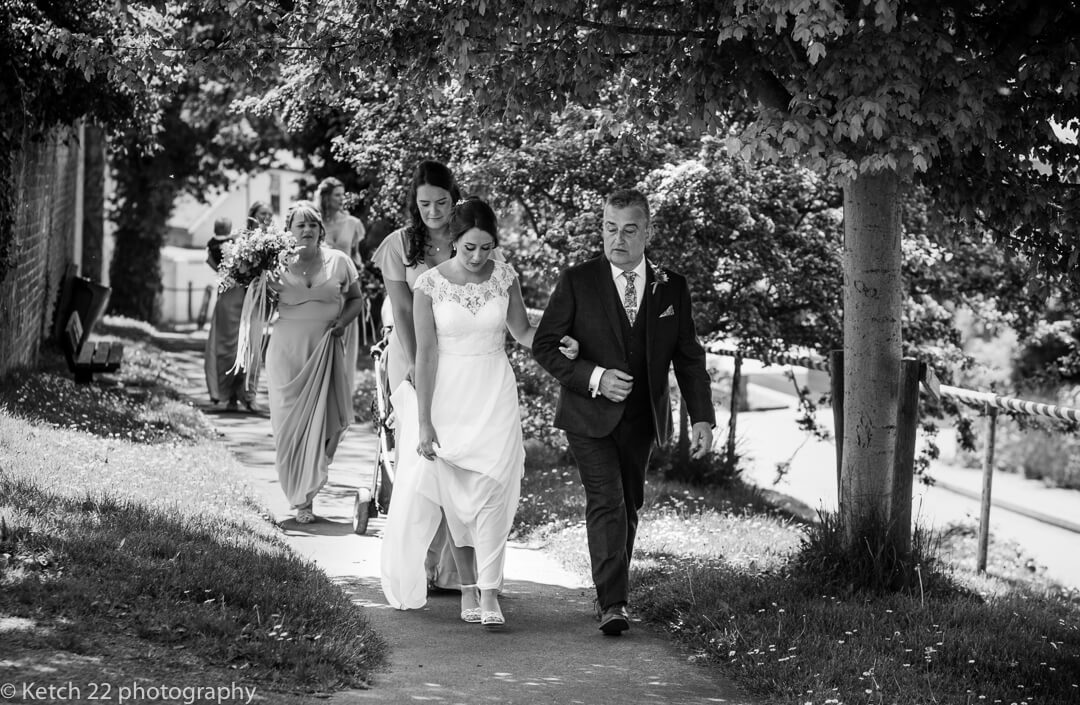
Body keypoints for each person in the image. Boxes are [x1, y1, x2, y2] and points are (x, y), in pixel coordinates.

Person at [532, 188, 716, 636]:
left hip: (642, 418)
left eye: (629, 230)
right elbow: (543, 347)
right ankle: (613, 602)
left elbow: (688, 357)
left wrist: (702, 417)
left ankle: (610, 592)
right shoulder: (578, 280)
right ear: (602, 228)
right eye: (610, 229)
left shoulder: (672, 286)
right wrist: (594, 377)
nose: (618, 239)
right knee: (607, 500)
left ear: (647, 232)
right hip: (587, 415)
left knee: (629, 505)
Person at [387, 197, 576, 628]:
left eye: (487, 247)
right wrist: (424, 420)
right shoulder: (429, 286)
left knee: (494, 490)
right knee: (456, 499)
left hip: (495, 391)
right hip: (449, 397)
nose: (478, 257)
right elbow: (426, 355)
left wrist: (559, 341)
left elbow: (523, 331)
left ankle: (490, 591)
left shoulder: (504, 276)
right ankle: (468, 588)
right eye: (470, 247)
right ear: (454, 241)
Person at [373, 160, 467, 595]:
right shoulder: (398, 245)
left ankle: (452, 569)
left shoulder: (469, 241)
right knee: (422, 458)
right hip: (410, 356)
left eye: (442, 202)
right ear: (415, 202)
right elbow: (403, 310)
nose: (433, 211)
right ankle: (419, 562)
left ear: (455, 198)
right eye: (424, 203)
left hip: (460, 358)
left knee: (458, 457)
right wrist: (413, 363)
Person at [266, 201, 366, 524]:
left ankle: (306, 497)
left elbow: (355, 300)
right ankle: (298, 494)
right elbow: (260, 304)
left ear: (321, 230)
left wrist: (343, 323)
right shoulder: (274, 266)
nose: (307, 230)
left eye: (313, 224)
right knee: (288, 427)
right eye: (300, 225)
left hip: (325, 350)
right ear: (288, 232)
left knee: (324, 425)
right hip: (286, 354)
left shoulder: (340, 262)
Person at [205, 216, 257, 412]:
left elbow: (213, 265)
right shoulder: (233, 246)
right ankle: (233, 393)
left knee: (228, 348)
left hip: (229, 298)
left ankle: (228, 392)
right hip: (235, 298)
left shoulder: (211, 247)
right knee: (234, 348)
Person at [317, 176, 366, 267]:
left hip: (346, 278)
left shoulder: (353, 223)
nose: (342, 198)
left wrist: (359, 268)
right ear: (326, 198)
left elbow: (355, 254)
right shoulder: (316, 224)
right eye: (337, 195)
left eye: (343, 194)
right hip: (322, 278)